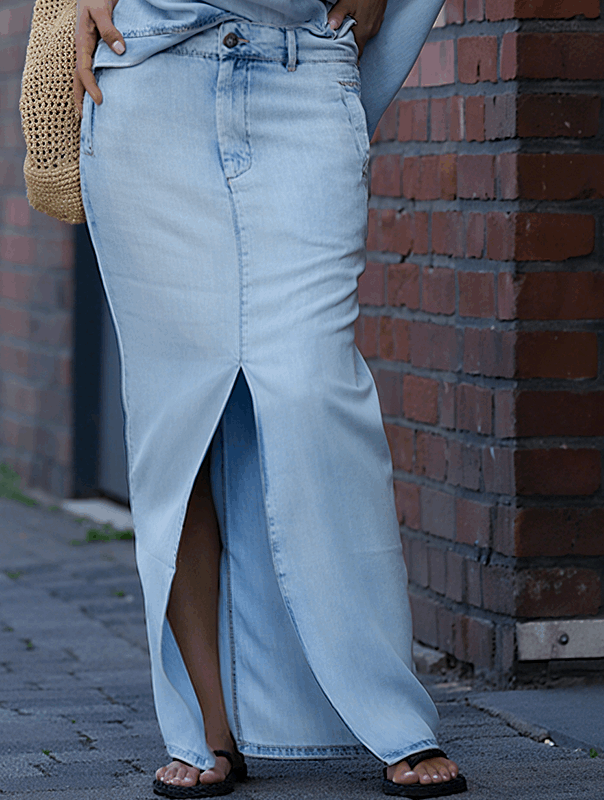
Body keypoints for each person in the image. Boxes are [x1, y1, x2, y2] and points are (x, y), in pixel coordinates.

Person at [73, 0, 466, 796]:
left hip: (304, 71)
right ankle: (208, 729)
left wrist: (351, 85)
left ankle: (391, 714)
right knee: (177, 415)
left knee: (315, 389)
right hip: (149, 79)